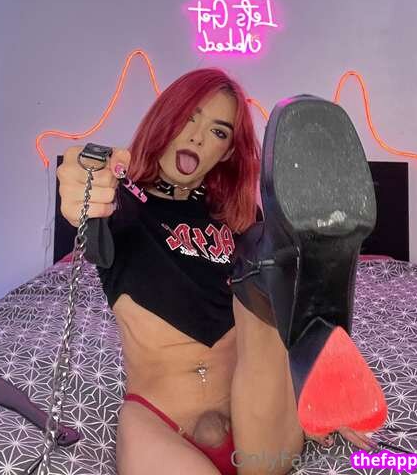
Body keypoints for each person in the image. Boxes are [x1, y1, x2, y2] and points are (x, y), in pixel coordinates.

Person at [57, 68, 381, 475]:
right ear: (166, 119)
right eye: (188, 118)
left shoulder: (240, 217)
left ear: (227, 152)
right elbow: (85, 205)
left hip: (256, 417)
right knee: (267, 257)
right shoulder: (120, 205)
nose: (197, 137)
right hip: (160, 420)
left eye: (218, 132)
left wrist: (322, 395)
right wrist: (84, 182)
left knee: (267, 262)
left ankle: (305, 287)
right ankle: (295, 260)